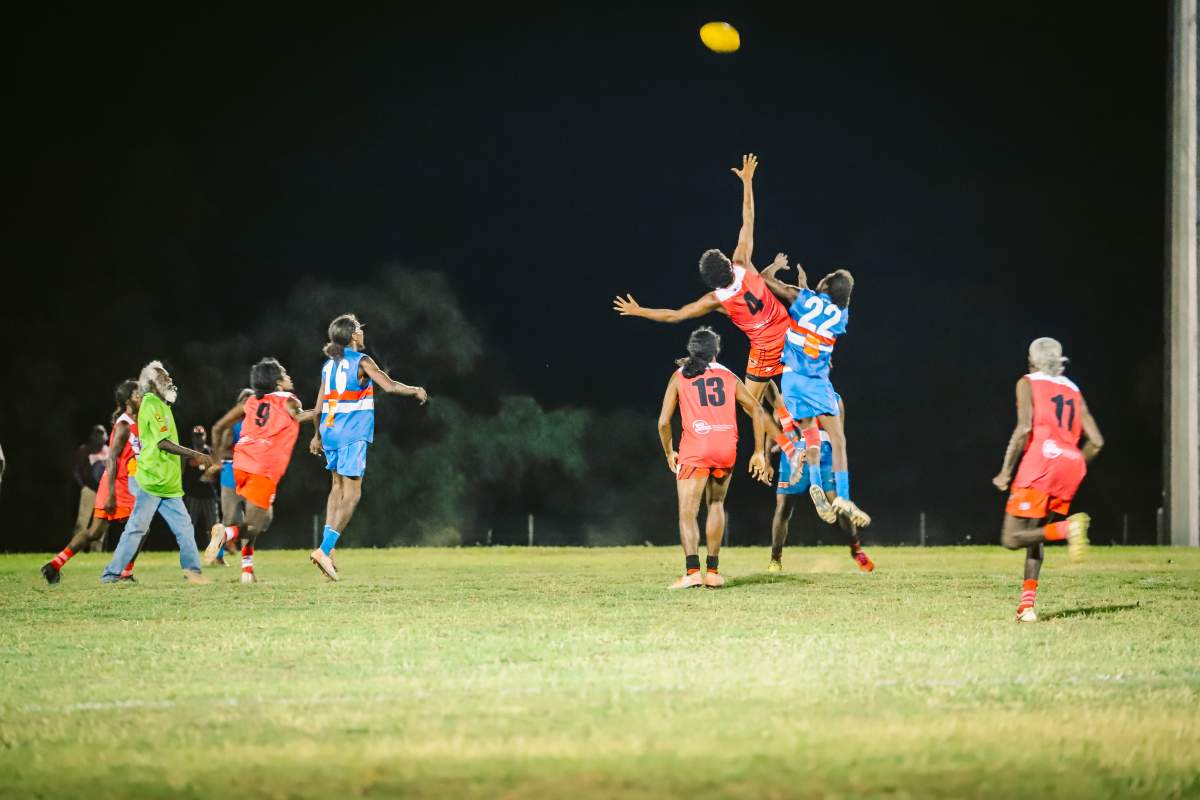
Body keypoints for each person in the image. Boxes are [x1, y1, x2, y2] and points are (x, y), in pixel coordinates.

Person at [613, 156, 802, 459]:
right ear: (728, 263)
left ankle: (790, 445)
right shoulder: (742, 260)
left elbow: (675, 315)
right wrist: (747, 181)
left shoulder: (715, 301)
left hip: (764, 348)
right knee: (766, 378)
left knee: (749, 403)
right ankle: (788, 420)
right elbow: (749, 218)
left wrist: (640, 311)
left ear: (710, 282)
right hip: (790, 333)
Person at [657, 327, 781, 589]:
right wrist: (758, 451)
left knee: (688, 513)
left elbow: (664, 422)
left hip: (696, 448)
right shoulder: (728, 375)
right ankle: (712, 572)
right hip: (726, 447)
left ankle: (692, 572)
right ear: (716, 351)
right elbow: (758, 411)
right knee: (716, 504)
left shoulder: (680, 376)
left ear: (692, 350)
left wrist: (669, 451)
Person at [307, 314, 428, 580]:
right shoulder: (362, 361)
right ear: (353, 336)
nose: (363, 331)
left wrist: (316, 436)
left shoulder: (329, 366)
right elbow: (390, 386)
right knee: (353, 494)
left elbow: (318, 408)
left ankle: (329, 550)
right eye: (360, 328)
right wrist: (416, 389)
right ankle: (324, 549)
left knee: (336, 489)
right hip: (352, 435)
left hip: (329, 432)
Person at [992, 338, 1103, 622]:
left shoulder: (1027, 382)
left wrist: (1006, 471)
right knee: (1034, 535)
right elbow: (1097, 442)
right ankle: (1026, 606)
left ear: (1031, 361)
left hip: (1040, 464)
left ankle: (1067, 530)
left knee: (1011, 538)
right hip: (1069, 467)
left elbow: (1024, 428)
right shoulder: (1073, 389)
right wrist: (1075, 461)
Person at [760, 256, 870, 529]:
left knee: (809, 431)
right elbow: (821, 313)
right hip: (816, 382)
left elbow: (765, 279)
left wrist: (776, 267)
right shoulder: (842, 315)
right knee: (837, 439)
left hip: (791, 381)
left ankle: (815, 483)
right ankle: (843, 497)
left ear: (824, 285)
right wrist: (810, 287)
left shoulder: (803, 297)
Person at [100, 361, 217, 584]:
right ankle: (111, 574)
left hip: (169, 484)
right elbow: (163, 443)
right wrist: (196, 454)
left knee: (184, 530)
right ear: (152, 383)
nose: (169, 380)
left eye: (168, 376)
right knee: (136, 529)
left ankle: (193, 572)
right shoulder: (151, 404)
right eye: (163, 377)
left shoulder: (163, 405)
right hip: (152, 482)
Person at [205, 358, 316, 582]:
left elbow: (217, 428)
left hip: (241, 464)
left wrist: (216, 460)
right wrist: (326, 409)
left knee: (263, 518)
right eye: (284, 373)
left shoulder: (249, 402)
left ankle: (247, 570)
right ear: (276, 381)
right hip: (263, 467)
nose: (288, 376)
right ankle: (225, 534)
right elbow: (302, 415)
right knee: (256, 524)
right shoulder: (288, 400)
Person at [43, 380, 143, 583]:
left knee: (95, 533)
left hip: (122, 483)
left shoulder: (136, 422)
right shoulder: (124, 425)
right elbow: (112, 459)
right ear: (127, 401)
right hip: (118, 484)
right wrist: (112, 493)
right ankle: (125, 573)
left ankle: (54, 565)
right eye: (136, 395)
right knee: (140, 527)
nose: (141, 397)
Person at [768, 397, 873, 573]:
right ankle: (775, 558)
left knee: (838, 503)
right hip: (793, 455)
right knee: (783, 506)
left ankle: (856, 550)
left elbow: (839, 436)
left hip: (824, 454)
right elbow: (772, 427)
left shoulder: (834, 398)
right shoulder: (787, 395)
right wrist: (766, 457)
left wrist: (837, 464)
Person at [206, 388, 253, 566]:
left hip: (250, 476)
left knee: (252, 521)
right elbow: (221, 451)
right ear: (239, 404)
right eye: (246, 401)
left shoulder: (256, 423)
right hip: (231, 476)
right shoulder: (233, 426)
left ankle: (246, 562)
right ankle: (219, 556)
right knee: (229, 519)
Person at [70, 424, 109, 551]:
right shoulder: (85, 449)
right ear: (92, 436)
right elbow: (76, 469)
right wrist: (83, 485)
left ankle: (96, 552)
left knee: (100, 525)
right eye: (97, 433)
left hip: (104, 492)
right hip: (90, 490)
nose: (99, 436)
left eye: (102, 433)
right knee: (82, 522)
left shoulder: (108, 451)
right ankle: (75, 550)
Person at [184, 425, 220, 555]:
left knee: (214, 527)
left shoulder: (210, 450)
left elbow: (216, 466)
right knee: (189, 525)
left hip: (209, 494)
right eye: (196, 436)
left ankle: (215, 553)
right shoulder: (187, 452)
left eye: (201, 436)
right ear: (193, 437)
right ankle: (188, 552)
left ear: (205, 436)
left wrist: (210, 467)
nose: (199, 439)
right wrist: (207, 464)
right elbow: (191, 463)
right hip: (193, 494)